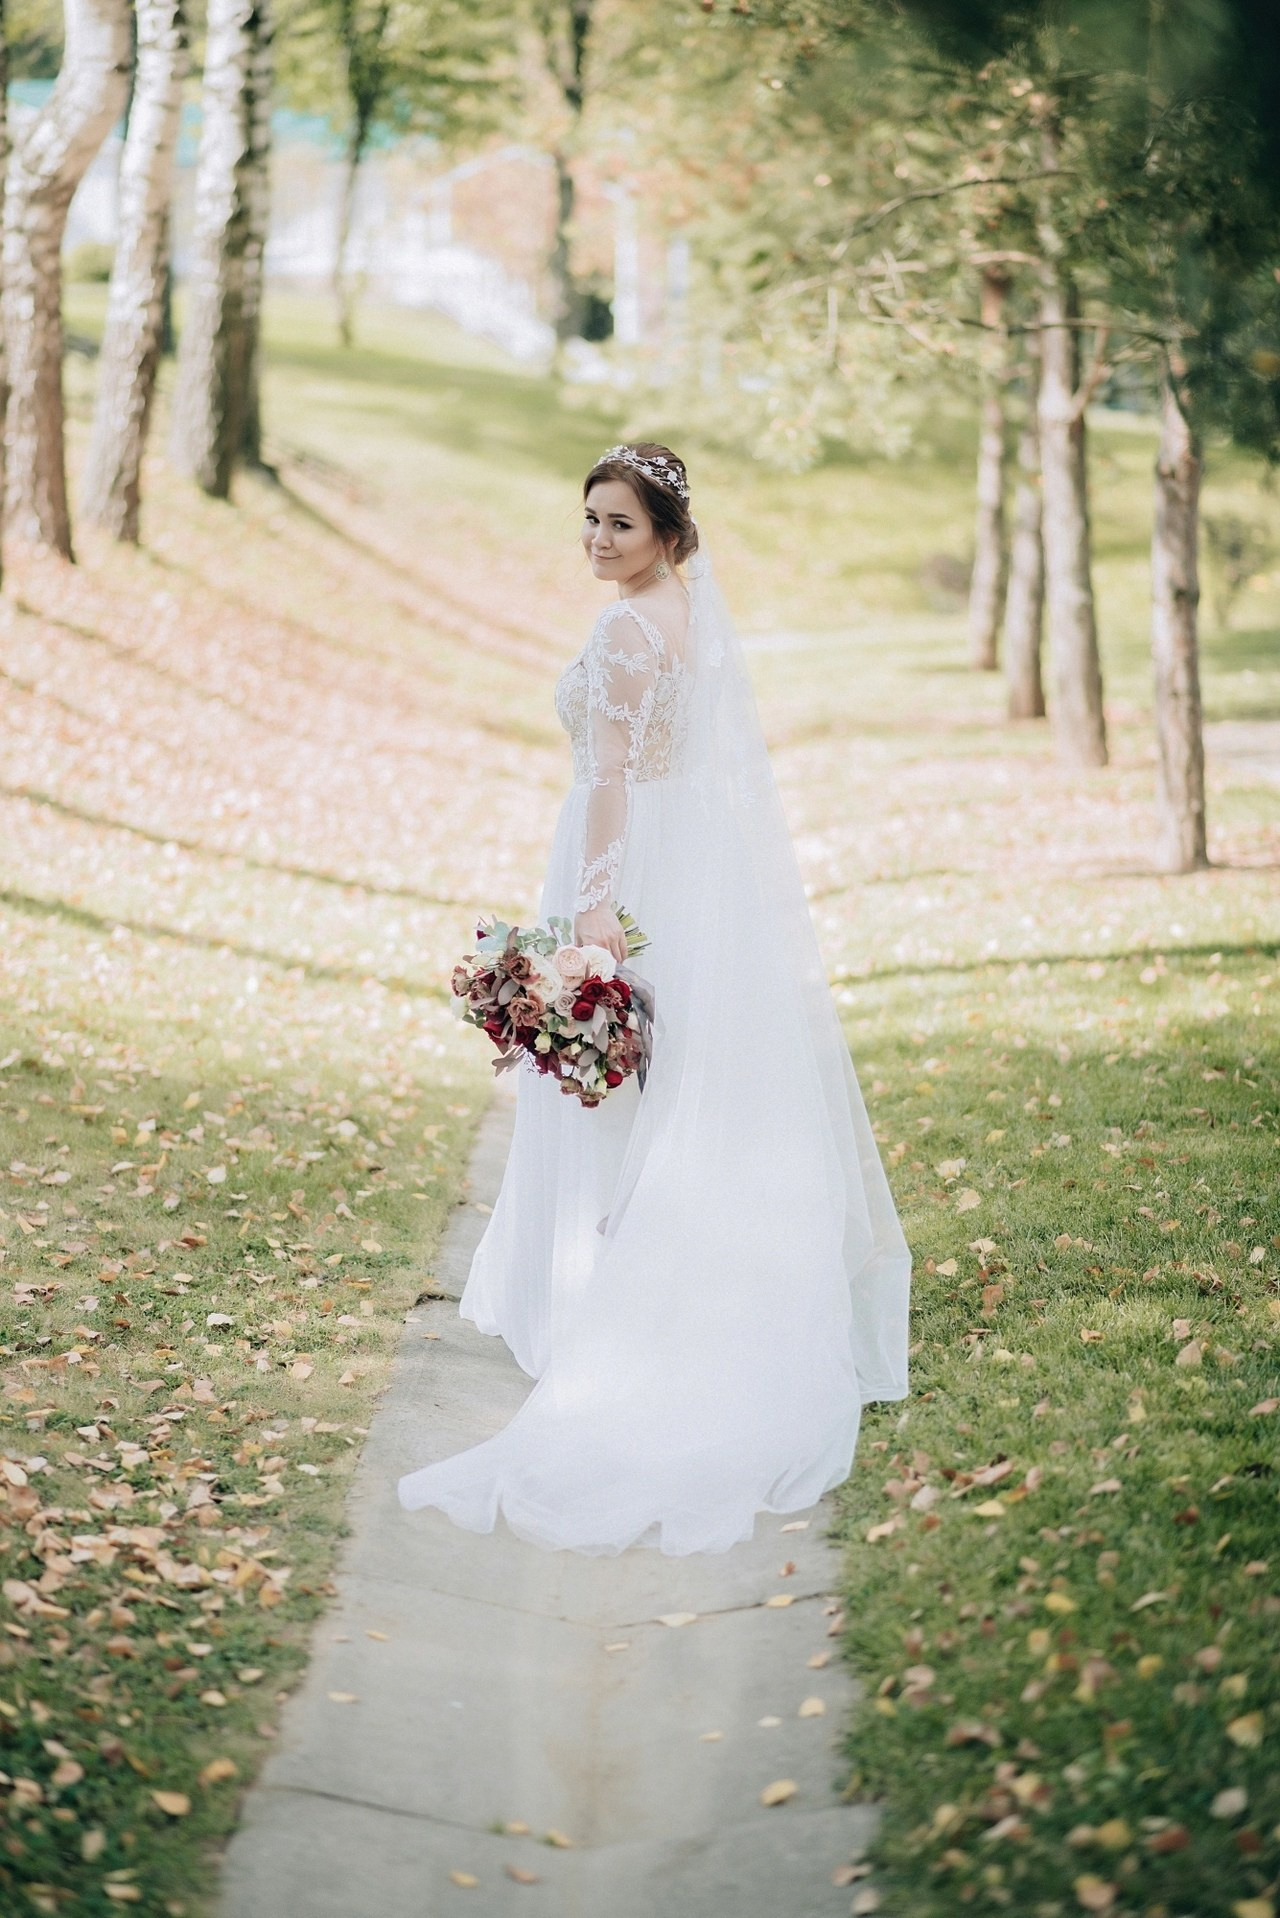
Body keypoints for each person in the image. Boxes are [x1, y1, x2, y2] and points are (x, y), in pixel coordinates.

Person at [398, 443, 911, 1556]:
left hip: (626, 867)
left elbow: (614, 774)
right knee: (675, 1073)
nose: (596, 540)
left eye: (619, 524)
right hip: (694, 860)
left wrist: (592, 912)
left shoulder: (627, 627)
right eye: (587, 519)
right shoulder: (687, 614)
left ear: (668, 534)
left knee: (616, 1073)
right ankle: (634, 1283)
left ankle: (598, 1309)